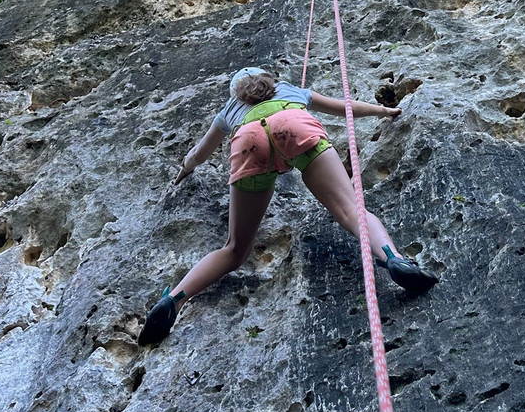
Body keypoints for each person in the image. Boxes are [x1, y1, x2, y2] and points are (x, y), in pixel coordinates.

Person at [138, 67, 438, 345]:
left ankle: (174, 299)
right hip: (296, 126)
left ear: (237, 93)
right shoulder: (290, 90)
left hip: (248, 142)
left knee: (234, 250)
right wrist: (384, 110)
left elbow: (198, 154)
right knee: (351, 210)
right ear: (269, 80)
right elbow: (346, 107)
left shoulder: (229, 110)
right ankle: (394, 258)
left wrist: (184, 170)